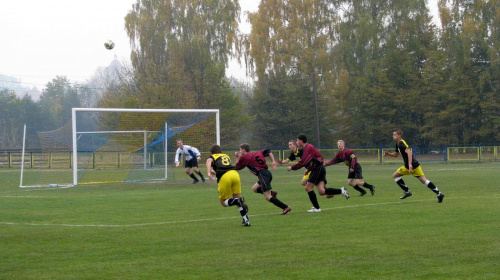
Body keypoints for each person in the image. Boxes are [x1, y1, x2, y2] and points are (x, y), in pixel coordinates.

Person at [287, 134, 350, 212]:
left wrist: (292, 167)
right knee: (321, 191)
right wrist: (308, 169)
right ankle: (341, 191)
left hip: (317, 169)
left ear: (301, 141)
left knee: (308, 188)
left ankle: (317, 208)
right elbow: (311, 160)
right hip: (318, 168)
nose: (296, 142)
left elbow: (303, 162)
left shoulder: (308, 148)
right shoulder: (306, 148)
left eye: (297, 140)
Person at [383, 129, 445, 203]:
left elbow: (409, 152)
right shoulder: (398, 143)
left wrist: (409, 165)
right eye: (393, 135)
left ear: (399, 135)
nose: (393, 136)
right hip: (415, 165)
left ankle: (407, 191)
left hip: (410, 166)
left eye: (394, 135)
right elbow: (396, 155)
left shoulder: (401, 143)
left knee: (395, 175)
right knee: (424, 180)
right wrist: (388, 154)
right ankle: (439, 193)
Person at [235, 143, 292, 215]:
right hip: (267, 174)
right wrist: (273, 161)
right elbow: (268, 151)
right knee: (255, 188)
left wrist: (237, 157)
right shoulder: (257, 152)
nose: (240, 151)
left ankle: (286, 207)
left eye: (240, 149)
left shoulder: (244, 157)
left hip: (262, 175)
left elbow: (237, 167)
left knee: (267, 197)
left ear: (243, 150)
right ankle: (272, 193)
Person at [206, 144, 250, 226]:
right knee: (237, 201)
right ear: (221, 151)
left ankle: (237, 200)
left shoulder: (213, 156)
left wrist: (208, 172)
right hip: (235, 174)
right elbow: (227, 167)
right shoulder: (226, 156)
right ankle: (246, 220)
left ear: (212, 153)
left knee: (223, 202)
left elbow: (208, 161)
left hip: (225, 177)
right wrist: (215, 172)